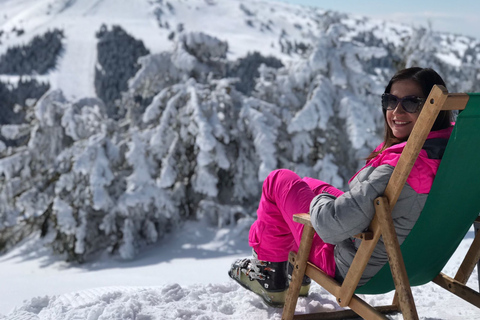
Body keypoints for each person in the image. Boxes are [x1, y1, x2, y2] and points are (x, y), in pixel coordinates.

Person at [228, 67, 454, 308]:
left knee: (279, 181)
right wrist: (320, 196)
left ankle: (270, 276)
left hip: (358, 265)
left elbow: (330, 227)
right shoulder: (454, 156)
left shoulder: (399, 169)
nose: (396, 111)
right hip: (415, 261)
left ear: (434, 109)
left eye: (411, 103)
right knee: (310, 185)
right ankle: (289, 272)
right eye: (390, 101)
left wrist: (319, 202)